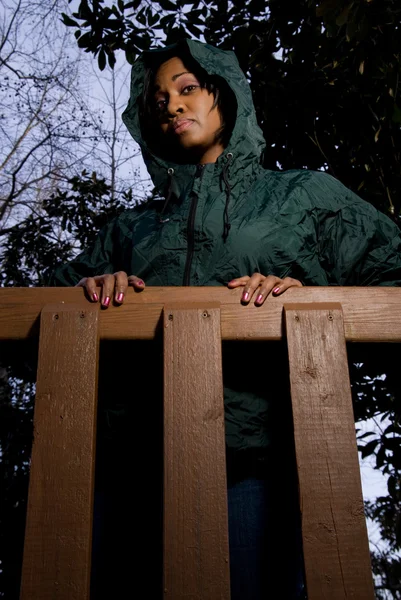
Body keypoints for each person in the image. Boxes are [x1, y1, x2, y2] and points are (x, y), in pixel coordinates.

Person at [50, 39, 401, 599]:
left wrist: (308, 300)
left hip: (253, 467)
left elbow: (393, 281)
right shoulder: (130, 229)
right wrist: (88, 292)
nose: (171, 105)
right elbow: (37, 315)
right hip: (128, 472)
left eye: (188, 88)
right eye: (158, 99)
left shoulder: (302, 195)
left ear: (227, 97)